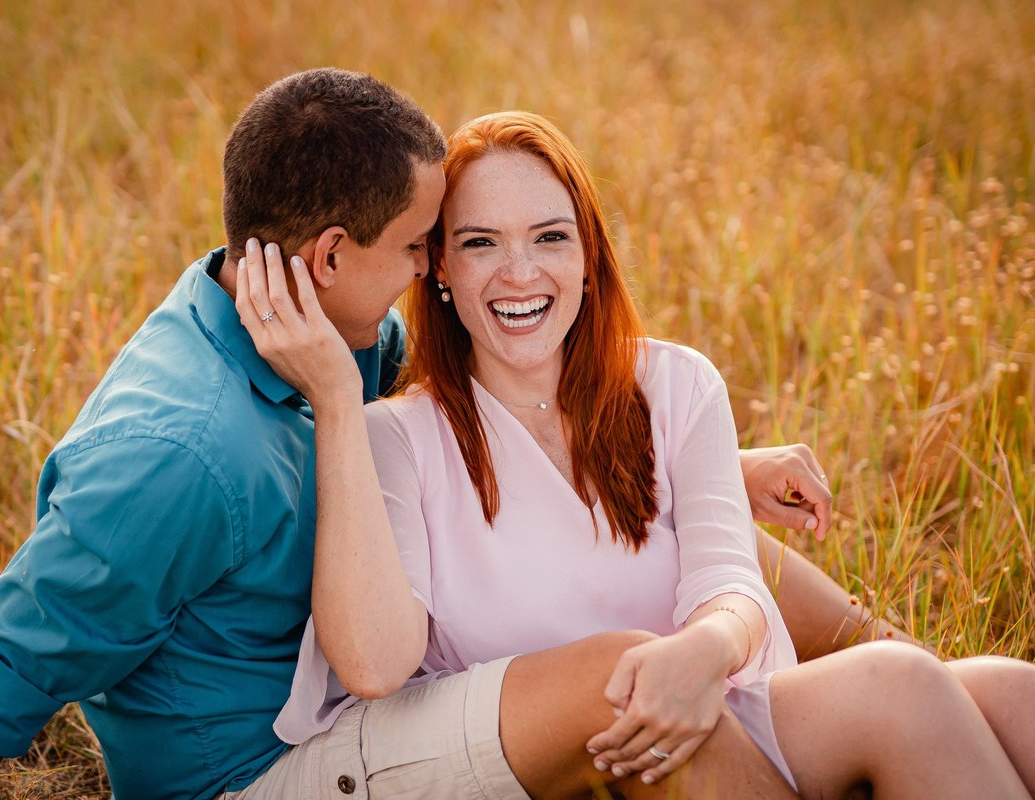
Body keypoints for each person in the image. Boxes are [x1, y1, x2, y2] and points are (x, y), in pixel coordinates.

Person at [0, 69, 940, 800]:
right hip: (267, 766)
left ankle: (894, 676)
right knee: (625, 672)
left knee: (668, 528)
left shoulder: (307, 310)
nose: (441, 270)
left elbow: (469, 424)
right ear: (331, 255)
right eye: (427, 244)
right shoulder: (179, 452)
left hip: (363, 669)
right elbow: (6, 674)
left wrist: (704, 462)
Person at [236, 111, 1035, 799]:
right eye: (480, 243)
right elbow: (375, 663)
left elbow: (731, 578)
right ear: (439, 266)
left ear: (588, 254)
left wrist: (707, 648)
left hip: (724, 698)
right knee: (897, 680)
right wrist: (337, 401)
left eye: (551, 236)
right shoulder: (394, 437)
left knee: (1008, 691)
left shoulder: (675, 383)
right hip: (572, 765)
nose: (521, 273)